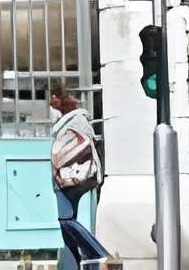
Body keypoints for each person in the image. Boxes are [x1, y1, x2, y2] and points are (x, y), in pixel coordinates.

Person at [47, 82, 120, 267]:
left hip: (68, 178)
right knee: (67, 232)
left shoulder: (75, 120)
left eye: (53, 97)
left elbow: (74, 149)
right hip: (68, 178)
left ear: (61, 100)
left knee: (65, 221)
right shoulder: (72, 120)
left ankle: (100, 253)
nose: (49, 101)